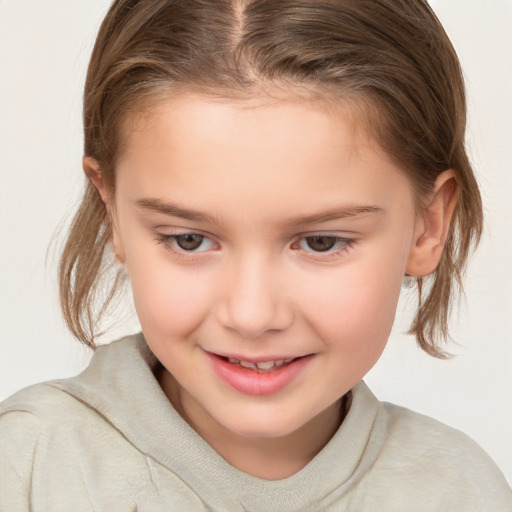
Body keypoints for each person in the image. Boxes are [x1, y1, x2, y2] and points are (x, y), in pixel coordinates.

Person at [0, 0, 510, 509]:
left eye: (321, 242)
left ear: (428, 225)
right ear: (112, 212)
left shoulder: (460, 489)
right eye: (189, 240)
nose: (251, 314)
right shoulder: (28, 466)